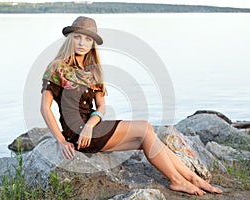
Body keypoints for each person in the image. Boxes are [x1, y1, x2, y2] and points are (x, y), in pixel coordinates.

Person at [40, 16, 222, 196]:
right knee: (143, 128)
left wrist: (90, 125)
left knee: (147, 133)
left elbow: (101, 107)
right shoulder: (57, 68)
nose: (82, 42)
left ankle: (191, 177)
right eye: (78, 37)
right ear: (71, 38)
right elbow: (45, 108)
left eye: (87, 39)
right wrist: (61, 140)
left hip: (91, 128)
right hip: (76, 133)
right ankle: (177, 180)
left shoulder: (93, 71)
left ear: (92, 44)